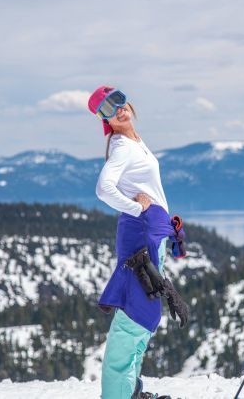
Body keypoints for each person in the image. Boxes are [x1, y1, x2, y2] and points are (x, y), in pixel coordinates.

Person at [87, 85, 189, 399]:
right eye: (107, 109)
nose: (117, 108)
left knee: (145, 313)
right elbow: (104, 189)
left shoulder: (133, 141)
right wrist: (135, 207)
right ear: (105, 120)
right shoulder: (122, 146)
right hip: (140, 235)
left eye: (118, 99)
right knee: (134, 316)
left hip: (149, 233)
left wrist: (167, 228)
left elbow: (149, 190)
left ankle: (130, 390)